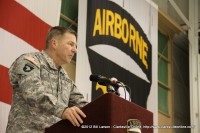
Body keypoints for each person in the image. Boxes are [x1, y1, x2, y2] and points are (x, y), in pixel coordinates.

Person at [6, 26, 88, 133]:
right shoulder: (30, 61)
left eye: (75, 46)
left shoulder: (65, 78)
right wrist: (62, 110)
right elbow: (32, 92)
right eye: (70, 44)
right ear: (54, 43)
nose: (75, 50)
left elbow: (83, 106)